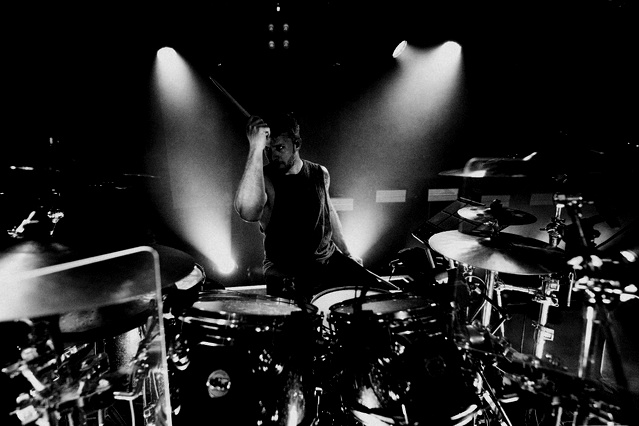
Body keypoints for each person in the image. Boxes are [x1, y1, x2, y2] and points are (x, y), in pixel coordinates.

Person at [234, 112, 382, 302]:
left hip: (328, 261)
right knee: (304, 318)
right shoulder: (263, 181)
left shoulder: (320, 173)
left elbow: (329, 213)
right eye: (268, 150)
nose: (273, 155)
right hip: (286, 271)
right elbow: (248, 212)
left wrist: (347, 253)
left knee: (383, 296)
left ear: (297, 144)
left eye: (280, 148)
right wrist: (255, 148)